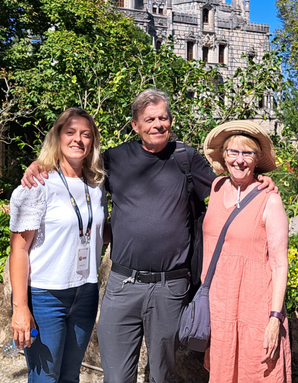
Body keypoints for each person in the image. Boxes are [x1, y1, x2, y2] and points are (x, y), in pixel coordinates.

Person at [22, 90, 277, 383]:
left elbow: (226, 193)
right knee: (116, 378)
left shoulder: (186, 158)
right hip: (122, 285)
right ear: (135, 125)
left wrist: (257, 180)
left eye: (163, 118)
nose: (158, 124)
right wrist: (41, 164)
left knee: (162, 375)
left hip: (171, 287)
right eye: (150, 119)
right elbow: (75, 168)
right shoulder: (114, 159)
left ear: (171, 121)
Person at [9, 108, 107, 383]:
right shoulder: (38, 184)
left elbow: (97, 231)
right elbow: (18, 249)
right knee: (44, 377)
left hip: (85, 293)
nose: (78, 140)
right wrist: (20, 309)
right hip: (45, 296)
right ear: (58, 137)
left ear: (93, 141)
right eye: (71, 132)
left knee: (69, 376)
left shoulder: (96, 185)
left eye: (86, 134)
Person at [201, 121, 292, 382]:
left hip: (256, 310)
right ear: (224, 156)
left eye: (247, 153)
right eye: (233, 152)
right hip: (220, 307)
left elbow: (279, 264)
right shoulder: (216, 188)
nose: (239, 161)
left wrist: (274, 319)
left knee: (257, 372)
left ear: (257, 159)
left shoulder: (269, 198)